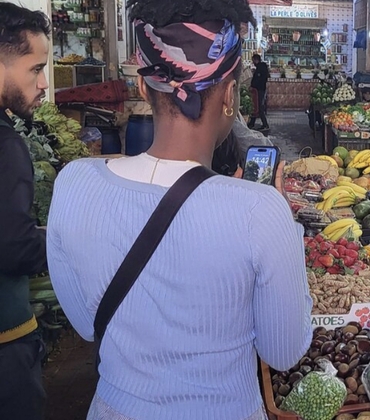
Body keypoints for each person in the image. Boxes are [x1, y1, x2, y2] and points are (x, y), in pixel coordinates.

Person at [46, 0, 312, 419]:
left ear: (141, 86)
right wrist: (284, 226)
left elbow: (85, 323)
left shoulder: (74, 185)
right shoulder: (260, 210)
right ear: (229, 94)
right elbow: (284, 352)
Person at [0, 3, 51, 419]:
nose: (44, 84)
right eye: (35, 69)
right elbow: (14, 248)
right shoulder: (5, 146)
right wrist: (64, 240)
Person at [249, 53, 269, 131]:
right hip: (260, 89)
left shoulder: (260, 68)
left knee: (259, 106)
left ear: (256, 60)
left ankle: (265, 124)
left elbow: (259, 79)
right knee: (255, 105)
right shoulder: (261, 67)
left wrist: (253, 85)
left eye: (253, 60)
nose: (253, 62)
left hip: (259, 90)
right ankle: (252, 123)